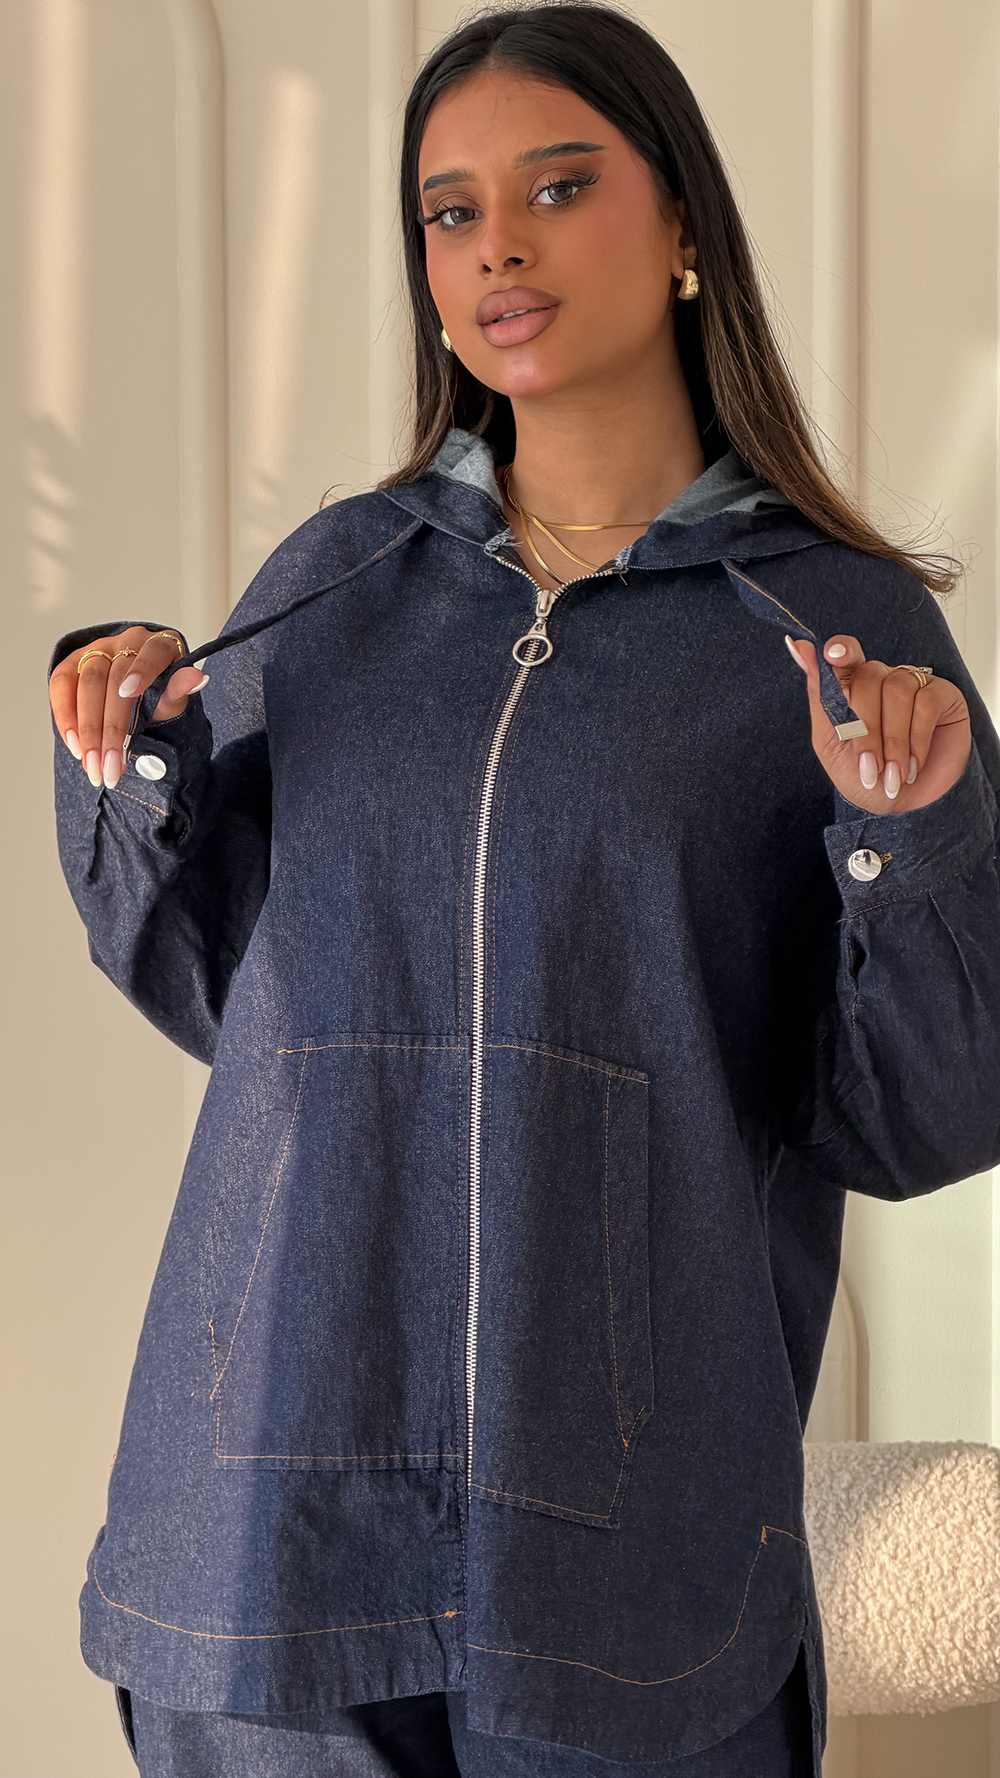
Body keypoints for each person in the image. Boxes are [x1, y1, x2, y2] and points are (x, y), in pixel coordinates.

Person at [46, 5, 1000, 1775]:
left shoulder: (828, 628)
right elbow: (215, 985)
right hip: (267, 1542)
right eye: (450, 211)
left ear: (683, 221)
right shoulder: (339, 585)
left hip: (635, 1567)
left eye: (560, 188)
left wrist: (914, 835)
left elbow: (920, 1110)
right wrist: (128, 754)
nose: (498, 246)